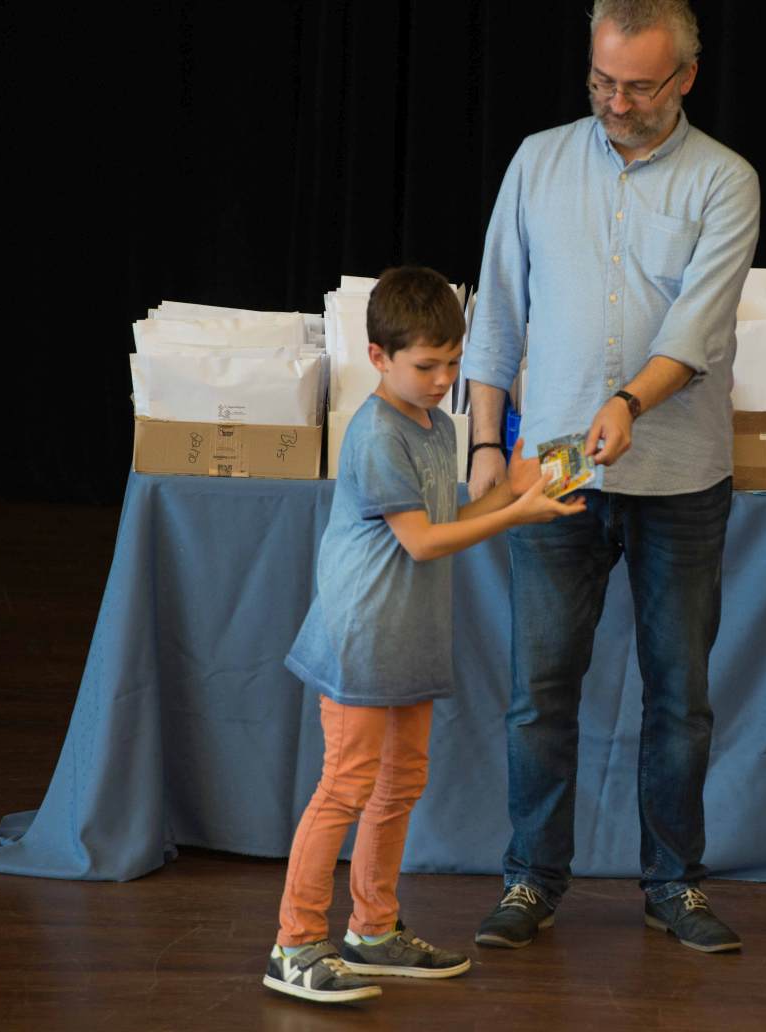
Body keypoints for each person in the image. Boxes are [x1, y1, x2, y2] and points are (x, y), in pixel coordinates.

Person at [460, 0, 759, 954]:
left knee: (679, 697)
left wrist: (628, 402)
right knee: (539, 691)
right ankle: (530, 880)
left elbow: (697, 329)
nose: (615, 103)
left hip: (681, 478)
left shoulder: (725, 180)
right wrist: (484, 445)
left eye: (637, 87)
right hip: (553, 482)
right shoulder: (537, 161)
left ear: (686, 78)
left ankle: (675, 886)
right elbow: (496, 314)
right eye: (601, 81)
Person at [263, 266, 584, 1004]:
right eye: (427, 365)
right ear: (378, 357)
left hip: (408, 639)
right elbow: (422, 542)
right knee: (345, 786)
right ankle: (294, 944)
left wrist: (518, 487)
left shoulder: (437, 428)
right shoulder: (378, 434)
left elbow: (451, 518)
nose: (444, 381)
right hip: (361, 639)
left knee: (401, 783)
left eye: (453, 363)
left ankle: (373, 931)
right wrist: (519, 515)